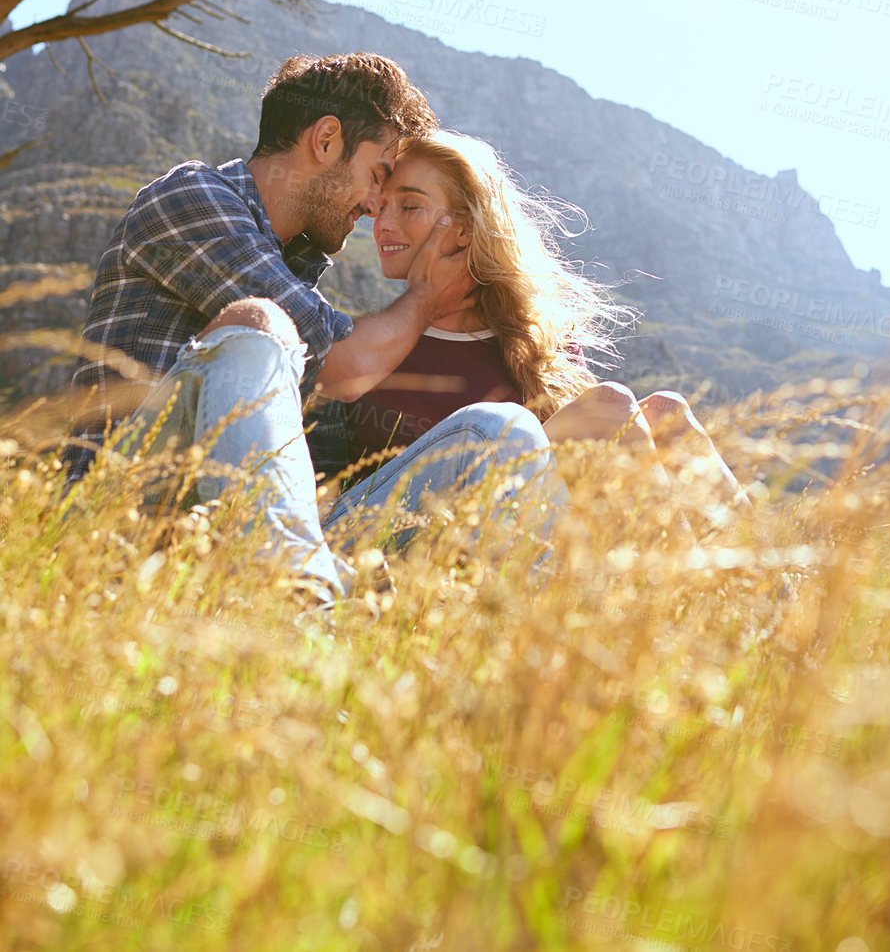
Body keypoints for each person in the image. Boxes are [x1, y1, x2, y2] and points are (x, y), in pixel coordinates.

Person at [66, 53, 564, 605]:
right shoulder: (192, 198)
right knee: (258, 324)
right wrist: (425, 297)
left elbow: (323, 474)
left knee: (501, 432)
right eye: (378, 175)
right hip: (126, 513)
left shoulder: (302, 282)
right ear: (326, 140)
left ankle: (538, 663)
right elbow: (341, 366)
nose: (376, 208)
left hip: (267, 534)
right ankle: (303, 603)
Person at [319, 130, 748, 548]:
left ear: (465, 228)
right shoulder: (366, 345)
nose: (384, 225)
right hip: (402, 539)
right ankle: (670, 598)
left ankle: (768, 589)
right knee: (607, 406)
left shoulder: (539, 344)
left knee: (666, 412)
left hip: (528, 534)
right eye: (382, 208)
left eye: (410, 206)